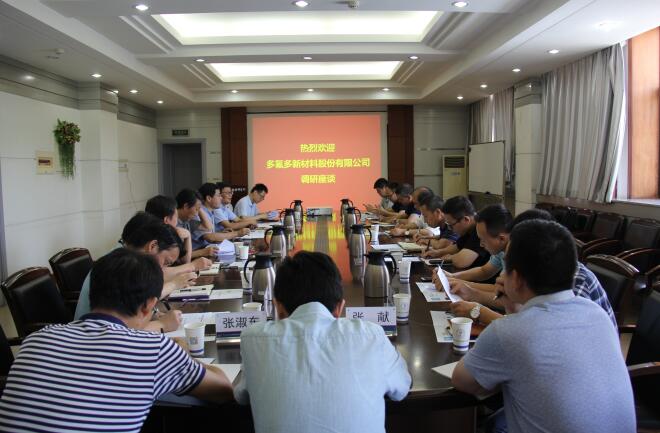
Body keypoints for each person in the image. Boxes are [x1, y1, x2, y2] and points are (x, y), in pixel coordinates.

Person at [0, 248, 234, 433]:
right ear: (149, 306)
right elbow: (224, 389)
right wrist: (181, 352)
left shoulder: (35, 340)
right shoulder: (154, 350)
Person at [452, 220, 635, 433]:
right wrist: (513, 309)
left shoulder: (507, 333)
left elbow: (462, 381)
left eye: (505, 266)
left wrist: (510, 315)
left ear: (516, 278)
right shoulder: (596, 313)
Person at [235, 251, 411, 433]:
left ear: (278, 308)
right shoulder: (371, 336)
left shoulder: (253, 340)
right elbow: (402, 386)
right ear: (339, 308)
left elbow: (241, 396)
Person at [447, 209, 617, 327]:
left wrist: (479, 311)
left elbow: (543, 334)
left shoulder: (572, 280)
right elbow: (525, 320)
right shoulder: (537, 268)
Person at [74, 212, 196, 330]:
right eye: (166, 262)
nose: (163, 269)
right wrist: (162, 325)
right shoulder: (121, 267)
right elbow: (125, 330)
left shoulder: (122, 261)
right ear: (152, 246)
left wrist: (154, 314)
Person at [145, 194, 212, 271]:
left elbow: (184, 261)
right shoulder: (155, 239)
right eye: (176, 217)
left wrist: (188, 236)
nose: (177, 221)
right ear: (166, 220)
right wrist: (193, 266)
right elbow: (159, 272)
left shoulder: (165, 233)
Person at [424, 196, 490, 269]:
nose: (451, 229)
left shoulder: (480, 228)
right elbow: (457, 246)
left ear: (466, 219)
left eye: (451, 225)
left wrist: (451, 257)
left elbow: (462, 261)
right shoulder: (468, 228)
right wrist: (439, 252)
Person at [193, 183, 249, 250]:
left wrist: (221, 233)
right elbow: (210, 237)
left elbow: (210, 235)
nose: (221, 198)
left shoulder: (211, 212)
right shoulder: (199, 213)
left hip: (209, 248)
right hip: (199, 251)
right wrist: (237, 233)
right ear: (209, 198)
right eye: (218, 195)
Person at [175, 188, 218, 258]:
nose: (197, 214)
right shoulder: (172, 223)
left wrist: (198, 207)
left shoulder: (187, 220)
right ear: (186, 206)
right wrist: (202, 252)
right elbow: (178, 258)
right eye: (196, 209)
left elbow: (208, 227)